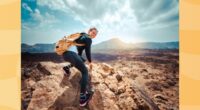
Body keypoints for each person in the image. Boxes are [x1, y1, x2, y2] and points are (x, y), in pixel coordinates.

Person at [62, 27, 98, 106]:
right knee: (85, 72)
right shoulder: (88, 39)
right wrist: (90, 62)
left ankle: (66, 68)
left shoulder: (81, 36)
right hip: (71, 54)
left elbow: (79, 54)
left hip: (65, 54)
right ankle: (82, 99)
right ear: (89, 31)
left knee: (81, 60)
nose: (94, 35)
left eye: (96, 34)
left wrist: (82, 61)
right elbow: (88, 51)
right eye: (93, 32)